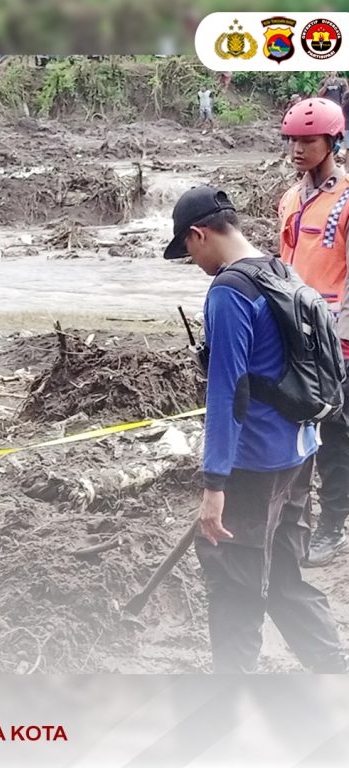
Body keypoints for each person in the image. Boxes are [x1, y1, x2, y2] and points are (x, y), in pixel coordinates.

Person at [164, 185, 347, 673]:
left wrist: (213, 485)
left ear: (199, 235)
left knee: (233, 585)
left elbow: (225, 394)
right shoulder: (278, 269)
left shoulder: (228, 292)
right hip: (299, 451)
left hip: (252, 463)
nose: (193, 260)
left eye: (188, 250)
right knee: (287, 578)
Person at [279, 98, 349, 566]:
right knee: (296, 428)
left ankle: (333, 527)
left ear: (333, 142)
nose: (298, 148)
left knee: (337, 433)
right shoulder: (290, 198)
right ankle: (295, 522)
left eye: (309, 140)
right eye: (293, 140)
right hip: (294, 332)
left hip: (338, 338)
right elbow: (282, 267)